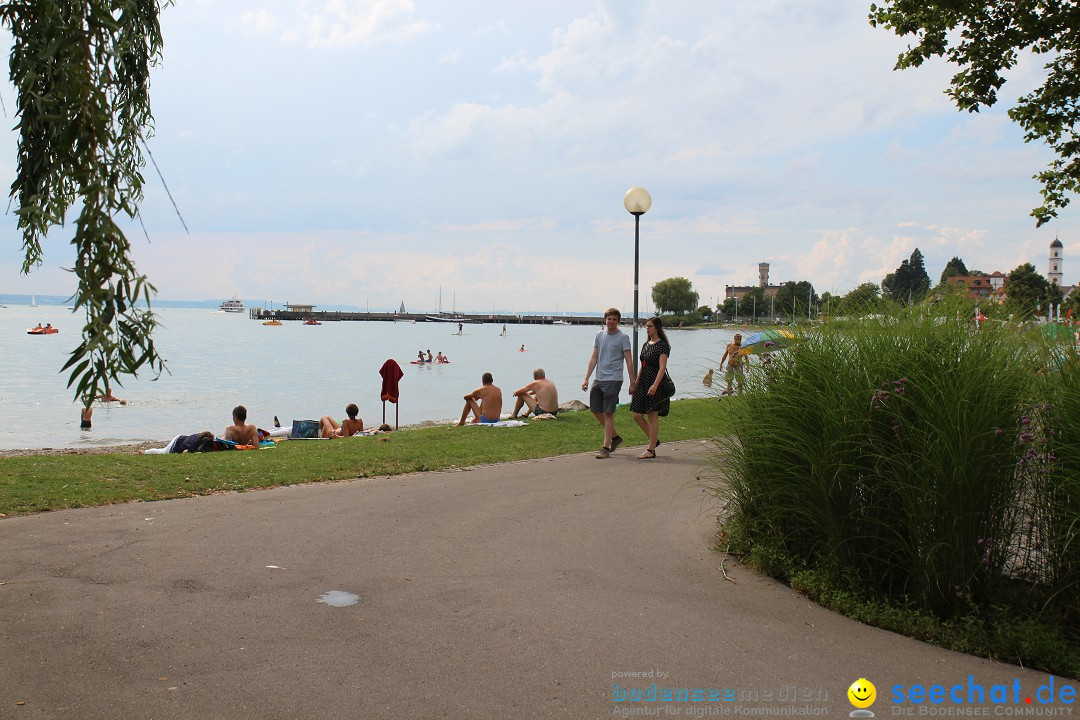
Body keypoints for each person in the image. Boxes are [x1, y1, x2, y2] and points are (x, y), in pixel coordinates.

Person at [582, 307, 635, 459]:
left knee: (608, 412)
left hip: (614, 379)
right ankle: (616, 437)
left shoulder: (623, 338)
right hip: (599, 378)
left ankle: (605, 447)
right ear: (605, 320)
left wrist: (632, 382)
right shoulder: (599, 335)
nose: (611, 321)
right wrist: (586, 378)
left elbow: (629, 361)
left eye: (614, 319)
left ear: (618, 321)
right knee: (595, 410)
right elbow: (594, 358)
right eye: (608, 319)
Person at [630, 317, 671, 459]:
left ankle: (651, 449)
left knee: (652, 415)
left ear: (657, 328)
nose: (647, 328)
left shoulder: (662, 345)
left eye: (650, 326)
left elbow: (662, 367)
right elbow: (643, 365)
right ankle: (654, 440)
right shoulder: (646, 344)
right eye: (646, 326)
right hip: (643, 383)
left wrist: (655, 385)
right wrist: (635, 382)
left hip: (655, 383)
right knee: (636, 415)